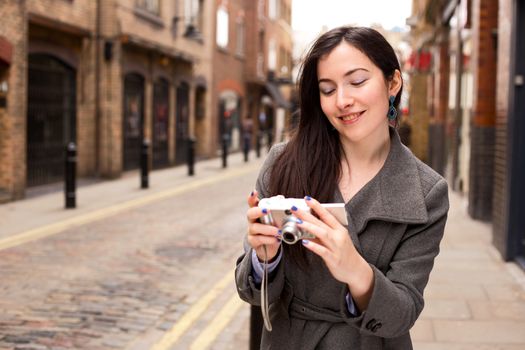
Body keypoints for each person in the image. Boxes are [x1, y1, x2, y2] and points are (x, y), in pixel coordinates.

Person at [235, 26, 449, 350]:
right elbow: (250, 292)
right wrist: (264, 259)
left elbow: (403, 312)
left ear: (392, 83)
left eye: (357, 82)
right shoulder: (284, 162)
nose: (343, 101)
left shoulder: (427, 192)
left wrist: (356, 270)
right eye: (327, 89)